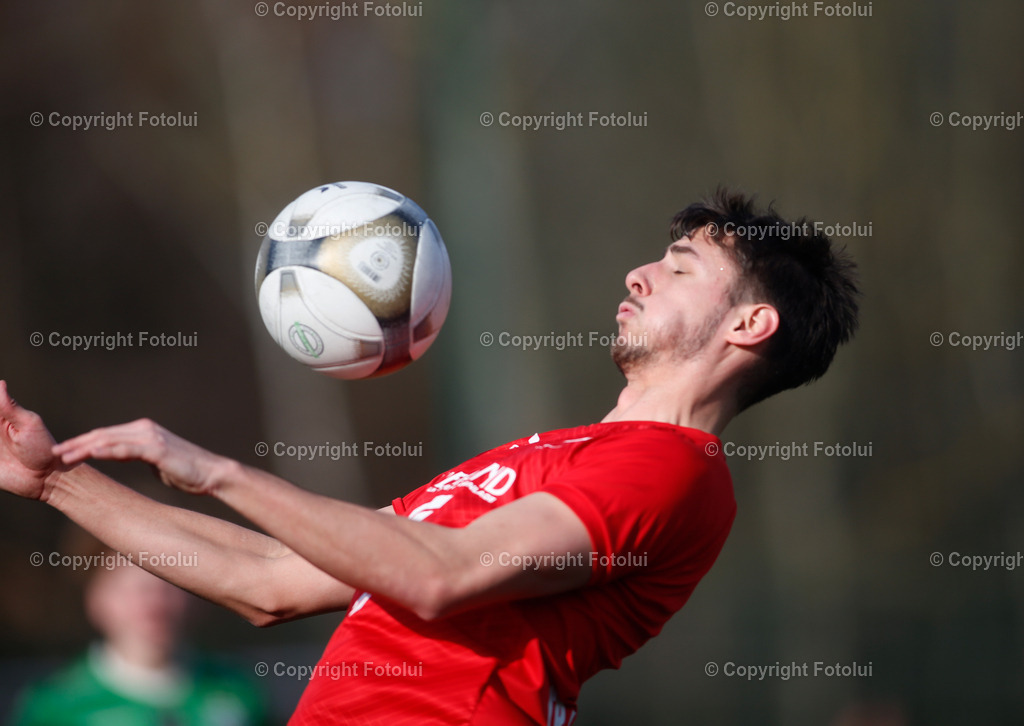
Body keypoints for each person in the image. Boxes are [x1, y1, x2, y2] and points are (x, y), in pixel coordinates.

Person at [0, 188, 859, 725]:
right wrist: (55, 483)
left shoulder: (673, 469)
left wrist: (213, 468)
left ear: (751, 325)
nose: (638, 273)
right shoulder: (550, 453)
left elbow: (437, 574)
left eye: (679, 268)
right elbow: (272, 580)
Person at [10, 548, 268, 726]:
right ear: (95, 598)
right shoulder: (54, 704)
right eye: (133, 589)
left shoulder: (238, 690)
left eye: (167, 585)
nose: (153, 603)